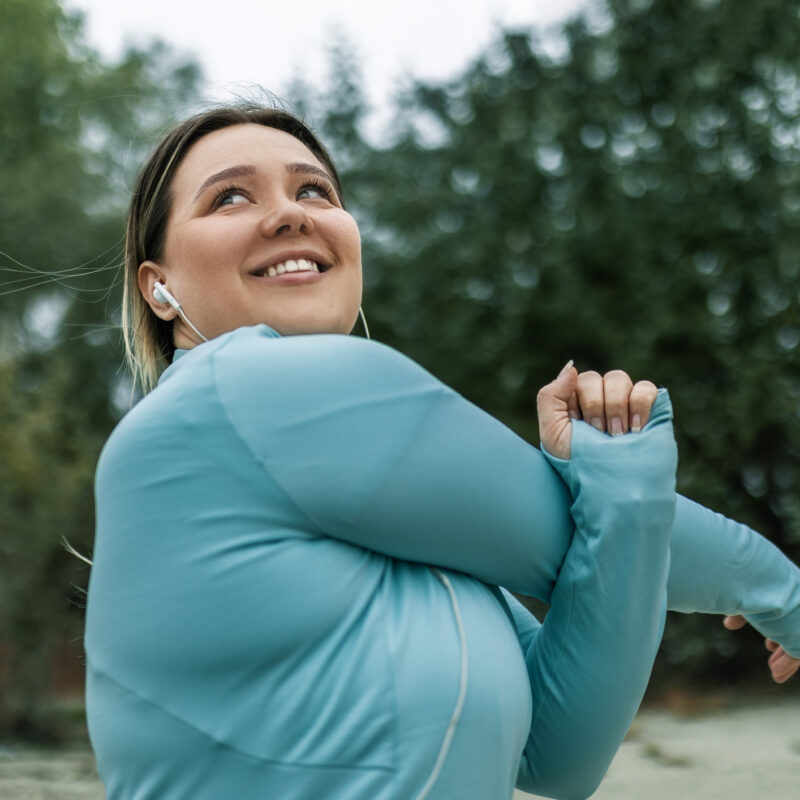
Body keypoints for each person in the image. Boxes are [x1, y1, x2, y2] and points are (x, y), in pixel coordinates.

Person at [85, 103, 800, 800]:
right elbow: (572, 531)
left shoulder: (385, 513)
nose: (291, 213)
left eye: (315, 190)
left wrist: (621, 474)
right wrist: (782, 593)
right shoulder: (239, 386)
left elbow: (558, 752)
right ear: (159, 287)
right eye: (230, 197)